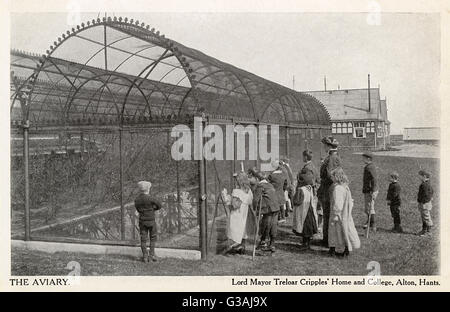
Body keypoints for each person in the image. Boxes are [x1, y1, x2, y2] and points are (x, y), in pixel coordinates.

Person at [328, 168, 360, 257]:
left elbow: (338, 203)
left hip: (338, 215)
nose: (331, 178)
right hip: (345, 214)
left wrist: (336, 213)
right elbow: (350, 200)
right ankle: (346, 249)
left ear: (336, 177)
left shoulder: (337, 188)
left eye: (332, 176)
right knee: (345, 231)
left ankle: (336, 250)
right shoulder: (345, 186)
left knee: (336, 233)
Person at [317, 136, 342, 247]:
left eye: (324, 145)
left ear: (328, 146)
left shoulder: (331, 158)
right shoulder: (333, 156)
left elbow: (329, 175)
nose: (323, 147)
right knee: (328, 214)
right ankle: (328, 238)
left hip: (328, 189)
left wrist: (326, 183)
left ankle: (327, 239)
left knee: (327, 214)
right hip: (330, 188)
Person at [222, 172, 254, 254]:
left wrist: (224, 195)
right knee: (242, 230)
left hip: (236, 214)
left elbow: (232, 204)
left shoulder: (236, 191)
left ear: (239, 181)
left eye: (236, 179)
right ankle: (241, 247)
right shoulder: (249, 191)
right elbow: (250, 201)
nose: (235, 181)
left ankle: (233, 246)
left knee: (234, 230)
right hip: (244, 213)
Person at [252, 170, 279, 253]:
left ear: (257, 179)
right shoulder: (269, 184)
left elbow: (255, 200)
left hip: (269, 208)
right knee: (273, 225)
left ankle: (263, 242)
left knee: (266, 224)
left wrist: (254, 210)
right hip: (276, 207)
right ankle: (272, 244)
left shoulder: (260, 186)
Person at [135, 181, 162, 262]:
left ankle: (145, 256)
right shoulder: (151, 198)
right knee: (153, 238)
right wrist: (153, 209)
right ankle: (151, 256)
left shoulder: (137, 199)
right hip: (151, 221)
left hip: (142, 221)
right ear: (148, 189)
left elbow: (138, 209)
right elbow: (159, 205)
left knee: (143, 239)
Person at [292, 168, 318, 250]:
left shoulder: (300, 190)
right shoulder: (309, 188)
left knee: (304, 228)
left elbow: (296, 201)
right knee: (309, 227)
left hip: (303, 211)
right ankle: (307, 242)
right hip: (309, 210)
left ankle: (305, 244)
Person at [362, 151, 378, 232]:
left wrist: (373, 190)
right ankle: (369, 222)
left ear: (368, 159)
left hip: (370, 191)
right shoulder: (368, 166)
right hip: (367, 190)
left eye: (364, 158)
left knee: (370, 208)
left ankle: (373, 225)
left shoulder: (370, 167)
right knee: (367, 208)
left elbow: (374, 179)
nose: (362, 159)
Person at [417, 170, 434, 236]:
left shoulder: (424, 185)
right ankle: (424, 230)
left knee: (426, 217)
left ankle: (429, 231)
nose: (419, 177)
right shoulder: (427, 184)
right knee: (424, 217)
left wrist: (423, 201)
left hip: (424, 204)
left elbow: (426, 194)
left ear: (424, 176)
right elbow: (432, 191)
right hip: (424, 203)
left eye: (420, 176)